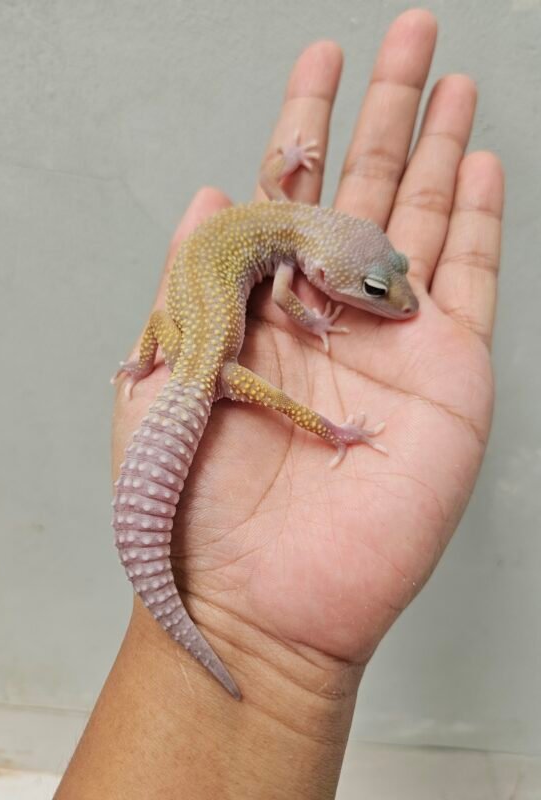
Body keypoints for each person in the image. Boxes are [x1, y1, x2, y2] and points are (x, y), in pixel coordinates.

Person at [55, 9, 503, 799]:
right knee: (265, 394)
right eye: (377, 289)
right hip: (212, 365)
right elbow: (293, 306)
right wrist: (323, 372)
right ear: (325, 273)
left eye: (391, 276)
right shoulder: (298, 273)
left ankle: (147, 358)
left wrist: (290, 160)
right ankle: (333, 432)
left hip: (181, 341)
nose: (399, 300)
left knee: (179, 337)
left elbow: (273, 178)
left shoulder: (280, 216)